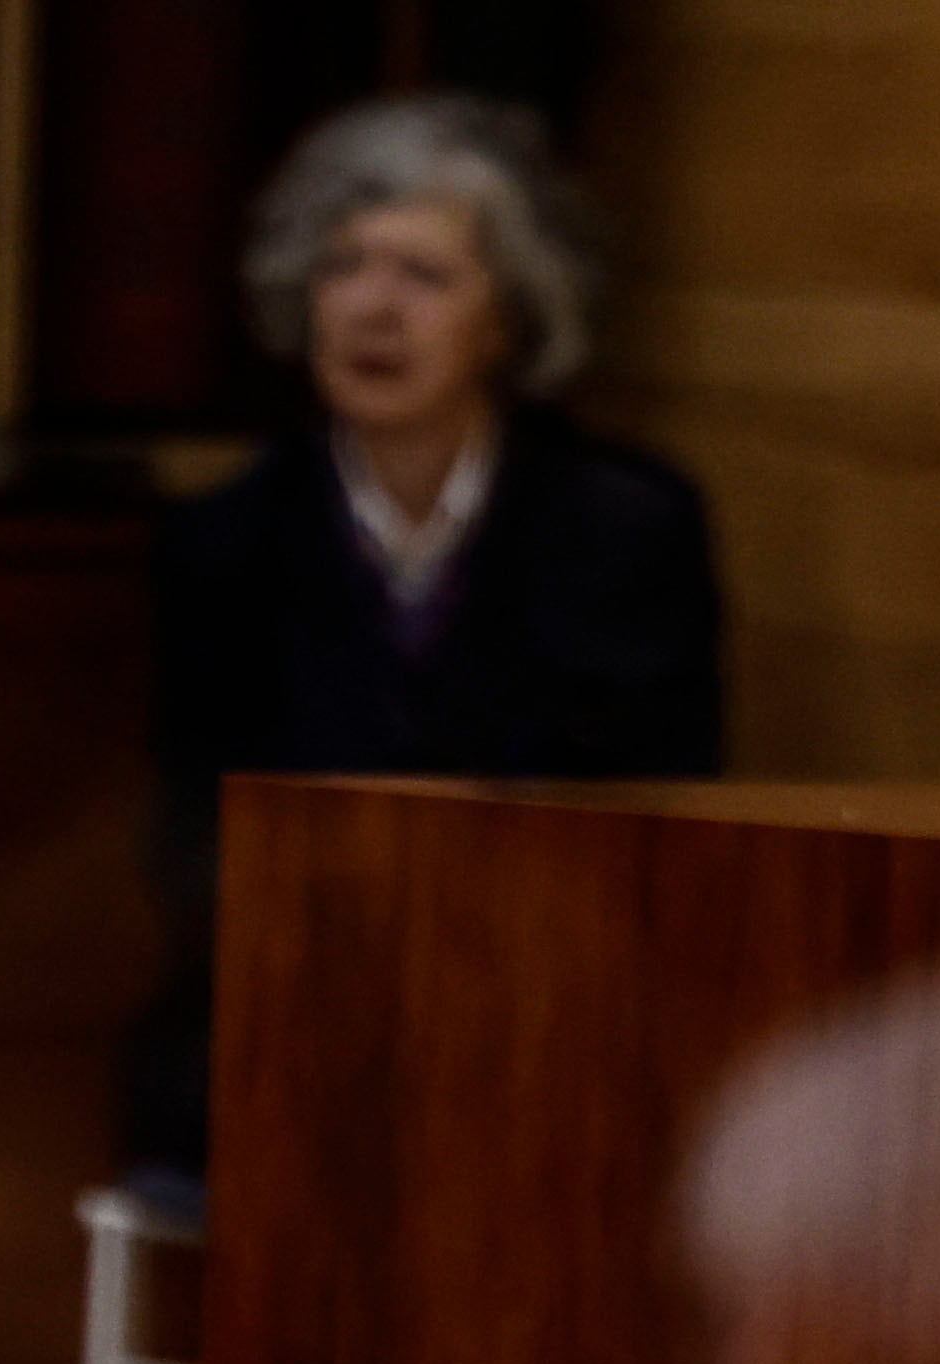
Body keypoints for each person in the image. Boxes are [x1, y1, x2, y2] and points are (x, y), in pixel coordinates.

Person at [129, 93, 724, 1174]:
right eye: (341, 265)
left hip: (548, 1020)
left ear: (509, 316)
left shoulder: (624, 530)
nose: (370, 308)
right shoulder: (222, 544)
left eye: (423, 275)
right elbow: (196, 842)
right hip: (293, 1019)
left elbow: (657, 821)